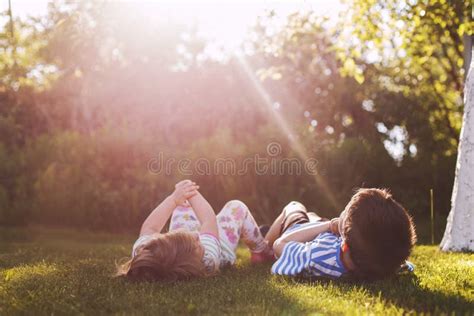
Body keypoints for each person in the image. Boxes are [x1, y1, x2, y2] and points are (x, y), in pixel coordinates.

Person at [116, 179, 273, 282]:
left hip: (187, 237)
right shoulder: (208, 259)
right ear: (195, 261)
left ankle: (182, 219)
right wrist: (191, 192)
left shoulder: (146, 252)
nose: (196, 235)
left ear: (165, 238)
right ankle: (260, 250)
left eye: (191, 237)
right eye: (197, 242)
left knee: (181, 206)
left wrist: (174, 199)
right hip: (220, 244)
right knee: (237, 207)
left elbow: (150, 227)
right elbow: (208, 220)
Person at [264, 188, 417, 281]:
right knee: (312, 215)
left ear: (344, 245)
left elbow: (280, 244)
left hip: (298, 231)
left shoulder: (317, 256)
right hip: (327, 232)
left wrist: (329, 225)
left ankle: (262, 247)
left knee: (294, 206)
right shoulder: (386, 262)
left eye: (344, 212)